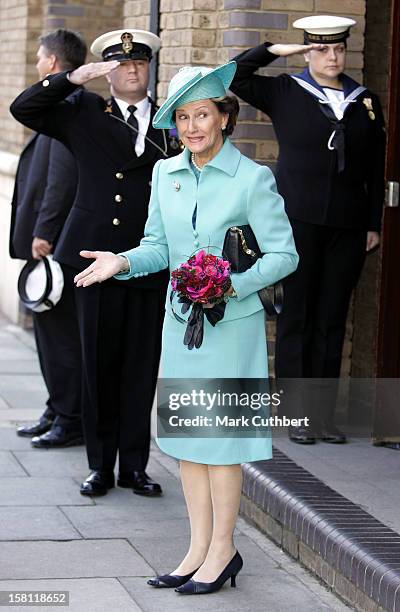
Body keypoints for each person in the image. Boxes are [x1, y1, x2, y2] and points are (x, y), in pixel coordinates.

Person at [73, 62, 298, 594]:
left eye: (203, 114)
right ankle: (197, 548)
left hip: (231, 329)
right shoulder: (164, 173)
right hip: (180, 327)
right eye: (183, 118)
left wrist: (230, 283)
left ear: (224, 117)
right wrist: (121, 262)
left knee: (220, 447)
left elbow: (284, 255)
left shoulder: (252, 178)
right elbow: (158, 247)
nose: (193, 126)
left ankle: (223, 552)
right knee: (189, 445)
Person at [10, 29, 181, 496]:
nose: (131, 70)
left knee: (139, 367)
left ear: (149, 68)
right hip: (92, 256)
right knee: (98, 364)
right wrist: (71, 77)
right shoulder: (84, 110)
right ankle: (100, 467)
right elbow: (24, 108)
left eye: (140, 63)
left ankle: (135, 467)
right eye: (121, 64)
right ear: (107, 71)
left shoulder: (170, 120)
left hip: (148, 258)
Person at [230, 15, 386, 444]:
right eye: (321, 49)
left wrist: (372, 224)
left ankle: (322, 417)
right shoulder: (284, 91)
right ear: (308, 51)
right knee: (296, 316)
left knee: (331, 319)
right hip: (295, 223)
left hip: (348, 226)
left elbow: (376, 168)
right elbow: (235, 75)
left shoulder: (365, 101)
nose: (332, 56)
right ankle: (296, 416)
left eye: (338, 49)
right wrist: (272, 52)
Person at [11, 29, 87, 447]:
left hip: (55, 244)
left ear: (54, 64)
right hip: (52, 241)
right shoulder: (61, 103)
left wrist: (45, 231)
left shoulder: (64, 106)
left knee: (60, 339)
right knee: (49, 335)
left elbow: (60, 177)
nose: (38, 64)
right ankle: (56, 408)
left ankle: (69, 418)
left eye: (41, 58)